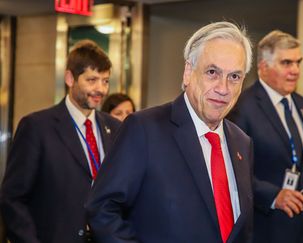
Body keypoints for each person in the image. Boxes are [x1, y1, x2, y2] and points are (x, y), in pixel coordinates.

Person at [85, 21, 254, 243]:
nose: (223, 88)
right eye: (212, 72)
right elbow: (102, 208)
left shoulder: (242, 143)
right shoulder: (144, 129)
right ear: (188, 73)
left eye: (234, 77)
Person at [228, 30, 303, 243]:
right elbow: (233, 171)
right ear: (263, 67)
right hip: (263, 230)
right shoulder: (242, 108)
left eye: (298, 62)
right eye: (286, 63)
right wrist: (273, 195)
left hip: (300, 231)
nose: (295, 71)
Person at [0, 40, 121, 243]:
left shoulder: (115, 128)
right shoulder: (37, 127)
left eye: (106, 81)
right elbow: (12, 198)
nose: (100, 89)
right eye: (92, 80)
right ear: (69, 78)